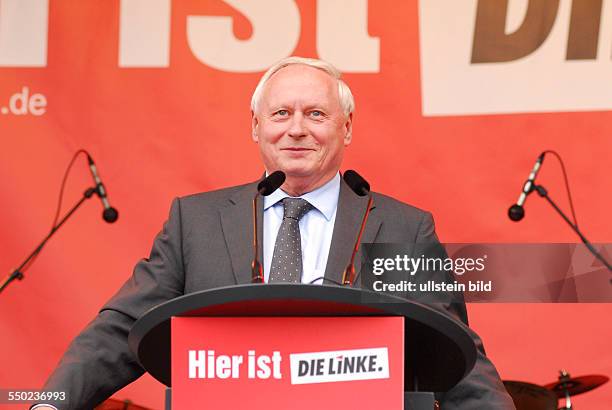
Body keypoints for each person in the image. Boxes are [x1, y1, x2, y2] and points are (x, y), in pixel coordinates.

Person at [35, 57, 514, 409]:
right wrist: (48, 404)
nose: (297, 130)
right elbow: (119, 330)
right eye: (281, 114)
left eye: (316, 114)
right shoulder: (195, 222)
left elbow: (457, 354)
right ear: (256, 127)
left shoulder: (405, 227)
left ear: (347, 129)